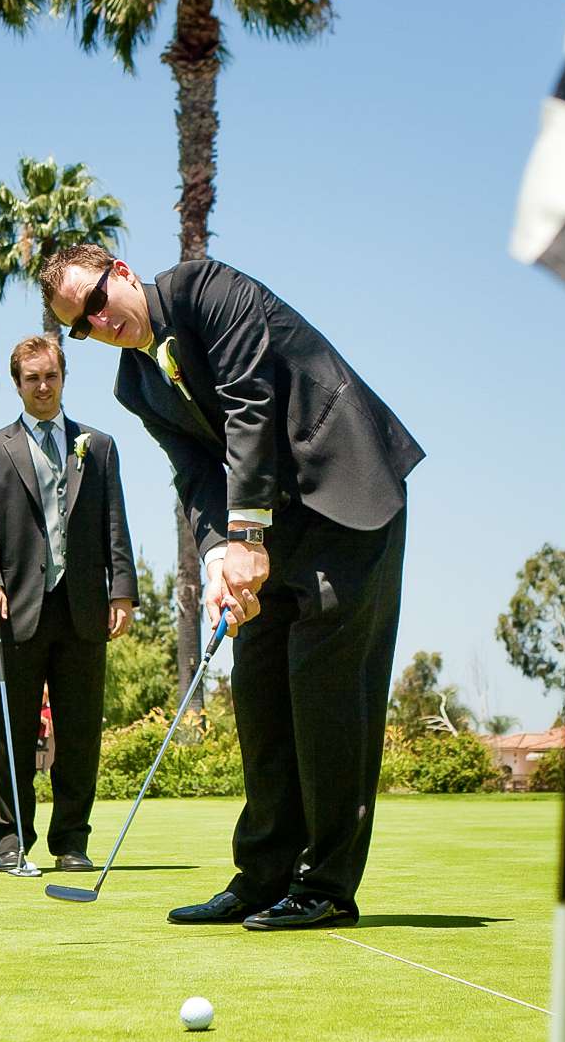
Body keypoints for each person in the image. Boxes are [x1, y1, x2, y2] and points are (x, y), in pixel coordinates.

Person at [43, 247, 422, 930]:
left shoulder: (205, 287)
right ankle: (263, 875)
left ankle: (327, 885)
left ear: (124, 272)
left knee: (325, 690)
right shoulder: (137, 386)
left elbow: (251, 403)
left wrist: (245, 535)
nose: (99, 323)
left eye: (97, 301)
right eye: (81, 325)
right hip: (271, 524)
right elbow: (195, 474)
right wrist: (220, 555)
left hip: (346, 495)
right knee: (258, 689)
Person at [0, 332, 137, 872]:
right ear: (17, 385)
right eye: (32, 378)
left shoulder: (99, 446)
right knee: (10, 730)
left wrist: (122, 591)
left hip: (83, 607)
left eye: (51, 376)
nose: (43, 385)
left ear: (64, 378)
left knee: (81, 731)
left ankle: (71, 842)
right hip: (15, 609)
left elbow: (115, 521)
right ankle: (10, 839)